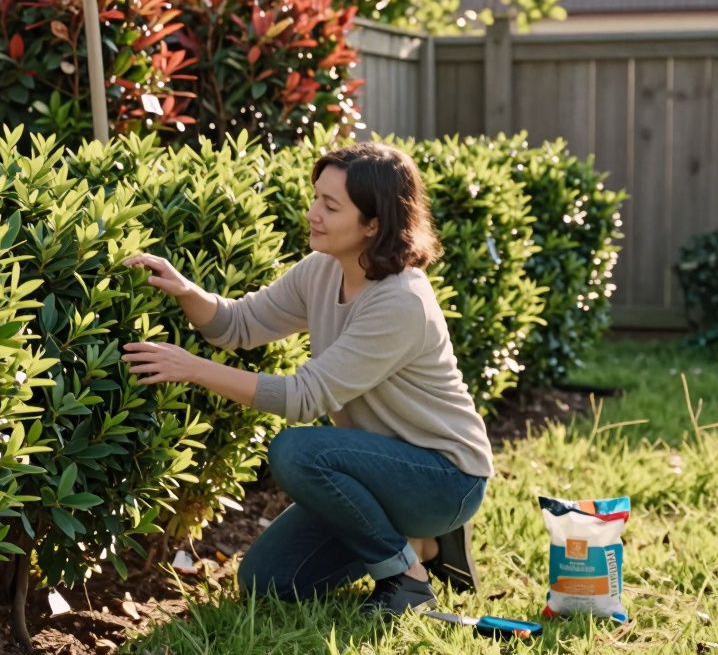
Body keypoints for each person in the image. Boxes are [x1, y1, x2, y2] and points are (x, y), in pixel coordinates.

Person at [120, 142, 493, 614]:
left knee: (296, 451)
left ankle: (405, 576)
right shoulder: (322, 270)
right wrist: (186, 290)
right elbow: (238, 325)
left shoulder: (401, 301)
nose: (313, 213)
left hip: (443, 476)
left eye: (331, 205)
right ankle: (428, 546)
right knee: (269, 581)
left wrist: (192, 369)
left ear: (374, 223)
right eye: (316, 197)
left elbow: (303, 398)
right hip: (378, 472)